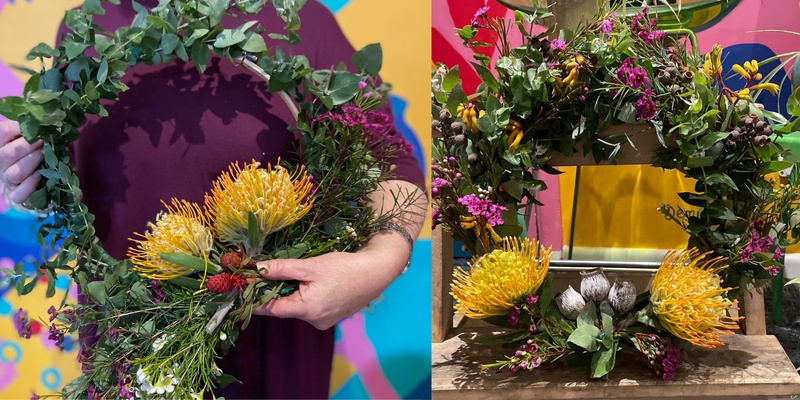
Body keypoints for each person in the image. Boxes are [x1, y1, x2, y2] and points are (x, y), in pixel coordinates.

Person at [0, 1, 426, 398]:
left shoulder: (298, 18)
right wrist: (28, 181)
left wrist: (379, 261)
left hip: (270, 354)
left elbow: (388, 163)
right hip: (127, 357)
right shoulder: (84, 28)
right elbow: (80, 185)